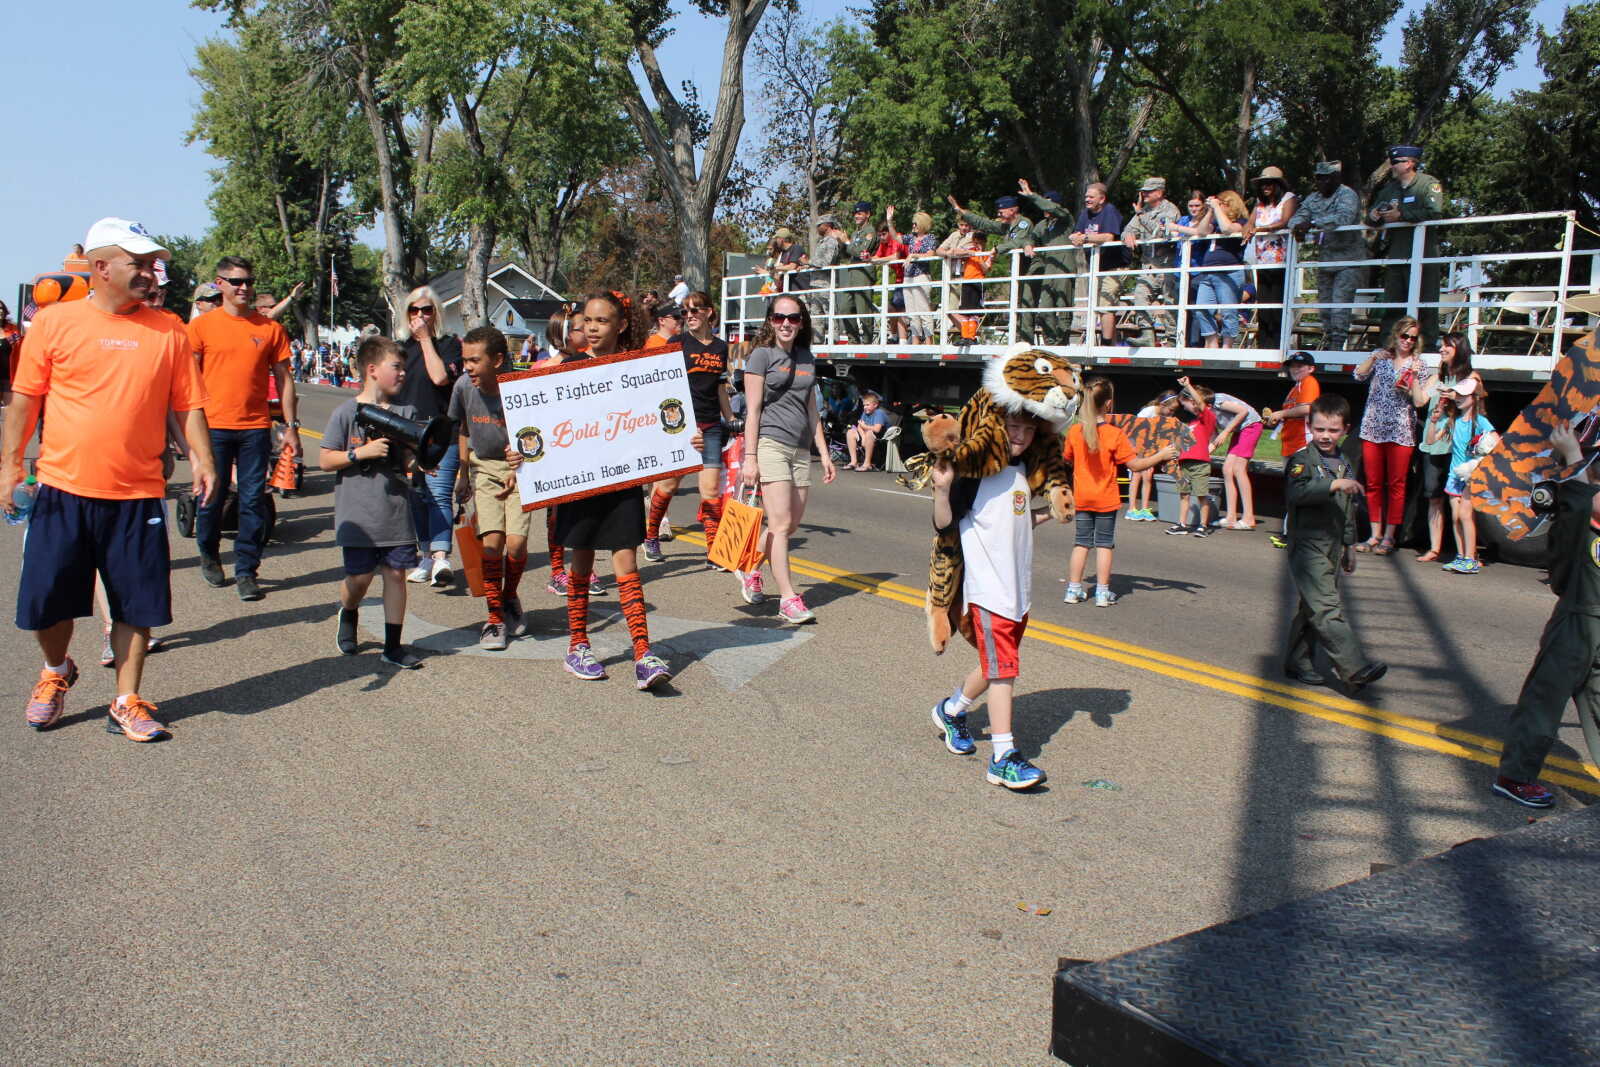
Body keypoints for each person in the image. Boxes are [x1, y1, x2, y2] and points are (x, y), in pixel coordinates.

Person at [3, 217, 217, 741]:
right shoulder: (54, 324)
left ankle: (126, 700)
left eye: (151, 264)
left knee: (136, 602)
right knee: (46, 602)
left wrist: (204, 459)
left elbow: (188, 403)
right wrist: (10, 467)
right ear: (100, 267)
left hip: (137, 493)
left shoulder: (169, 329)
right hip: (62, 488)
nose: (149, 272)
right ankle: (56, 671)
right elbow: (25, 401)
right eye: (137, 263)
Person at [926, 408, 1056, 790]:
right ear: (997, 427)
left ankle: (952, 710)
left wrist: (1052, 512)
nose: (1020, 435)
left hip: (1018, 591)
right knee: (1003, 671)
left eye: (1028, 429)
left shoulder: (1023, 470)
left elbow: (1015, 519)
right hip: (987, 590)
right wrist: (941, 490)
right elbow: (944, 523)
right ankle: (1003, 757)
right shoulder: (974, 472)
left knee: (995, 664)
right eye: (1014, 426)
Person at [556, 291, 672, 689]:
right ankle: (578, 646)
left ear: (621, 325)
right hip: (580, 482)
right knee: (582, 562)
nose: (591, 328)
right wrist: (521, 454)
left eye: (602, 321)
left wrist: (682, 441)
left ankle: (643, 653)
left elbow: (657, 420)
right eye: (587, 320)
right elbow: (545, 427)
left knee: (626, 562)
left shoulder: (637, 369)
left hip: (622, 480)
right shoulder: (566, 368)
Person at [1492, 419, 1598, 808]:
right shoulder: (1574, 526)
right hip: (1576, 623)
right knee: (1544, 701)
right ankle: (1515, 776)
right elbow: (1577, 504)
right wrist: (1573, 457)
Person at [187, 254, 300, 601]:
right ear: (220, 284)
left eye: (249, 282)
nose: (244, 288)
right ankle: (209, 553)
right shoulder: (202, 327)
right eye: (236, 282)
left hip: (254, 428)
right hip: (213, 428)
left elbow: (285, 380)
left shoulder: (269, 329)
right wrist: (189, 433)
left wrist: (291, 426)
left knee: (253, 501)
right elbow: (188, 382)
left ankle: (247, 570)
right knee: (212, 497)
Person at [319, 336, 424, 669]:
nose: (403, 373)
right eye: (396, 367)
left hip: (395, 512)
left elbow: (410, 461)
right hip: (358, 514)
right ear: (373, 369)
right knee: (360, 579)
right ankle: (349, 610)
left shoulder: (406, 413)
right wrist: (359, 453)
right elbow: (325, 459)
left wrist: (422, 461)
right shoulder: (345, 413)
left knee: (396, 575)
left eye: (404, 367)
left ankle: (393, 646)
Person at [738, 294, 837, 623]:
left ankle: (751, 567)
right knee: (779, 524)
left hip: (800, 450)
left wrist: (824, 454)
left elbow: (812, 411)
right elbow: (753, 411)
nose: (785, 324)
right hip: (771, 444)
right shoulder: (761, 356)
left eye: (793, 318)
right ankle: (787, 598)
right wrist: (750, 458)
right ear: (770, 321)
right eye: (779, 317)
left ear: (801, 322)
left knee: (790, 524)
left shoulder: (807, 358)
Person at [1281, 393, 1388, 691]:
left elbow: (1347, 509)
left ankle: (1297, 661)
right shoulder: (1302, 461)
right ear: (1309, 426)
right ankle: (1354, 668)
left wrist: (1349, 546)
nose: (1325, 436)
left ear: (1345, 430)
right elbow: (1296, 493)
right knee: (1326, 607)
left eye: (1333, 430)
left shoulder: (1344, 461)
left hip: (1332, 545)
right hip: (1308, 545)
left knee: (1312, 607)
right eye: (1319, 429)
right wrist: (1333, 484)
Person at [1062, 377, 1178, 605]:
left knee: (1081, 542)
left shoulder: (1075, 431)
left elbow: (1067, 458)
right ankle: (1102, 593)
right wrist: (1161, 455)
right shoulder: (1114, 434)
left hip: (1082, 496)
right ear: (1108, 404)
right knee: (1104, 544)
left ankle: (1073, 590)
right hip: (1106, 498)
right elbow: (1135, 465)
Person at [450, 326, 530, 650]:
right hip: (483, 467)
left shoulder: (520, 387)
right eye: (464, 360)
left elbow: (537, 433)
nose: (467, 367)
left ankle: (509, 596)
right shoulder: (463, 387)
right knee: (492, 544)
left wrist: (522, 459)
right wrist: (463, 474)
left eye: (474, 360)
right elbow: (463, 429)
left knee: (516, 545)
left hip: (520, 471)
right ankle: (495, 617)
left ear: (497, 360)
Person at [643, 293, 734, 565]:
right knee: (668, 485)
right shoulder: (677, 343)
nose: (689, 315)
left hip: (711, 424)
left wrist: (731, 419)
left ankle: (713, 551)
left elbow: (720, 388)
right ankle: (651, 536)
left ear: (709, 312)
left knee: (711, 490)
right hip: (680, 426)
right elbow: (660, 385)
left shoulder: (720, 347)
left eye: (695, 310)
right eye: (685, 312)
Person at [395, 285, 464, 588]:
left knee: (438, 494)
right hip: (407, 432)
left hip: (440, 432)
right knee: (416, 497)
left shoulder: (449, 344)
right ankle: (425, 556)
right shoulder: (399, 348)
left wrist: (425, 340)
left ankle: (441, 558)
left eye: (427, 309)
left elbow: (439, 377)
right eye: (414, 309)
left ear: (436, 313)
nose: (420, 315)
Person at [1352, 317, 1423, 554]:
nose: (1408, 341)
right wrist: (1373, 357)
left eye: (1413, 338)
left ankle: (1390, 536)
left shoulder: (1418, 364)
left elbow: (1420, 399)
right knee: (1373, 482)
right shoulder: (1381, 357)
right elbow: (1358, 375)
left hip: (1401, 429)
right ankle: (1374, 534)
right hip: (1373, 427)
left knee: (1396, 484)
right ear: (1396, 335)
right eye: (1405, 336)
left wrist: (1411, 385)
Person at [1410, 332, 1475, 562]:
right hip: (1435, 444)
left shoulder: (1470, 377)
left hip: (1458, 447)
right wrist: (1414, 378)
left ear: (1460, 349)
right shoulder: (1436, 377)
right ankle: (1435, 548)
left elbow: (1476, 402)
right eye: (1441, 345)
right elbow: (1419, 401)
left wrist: (1454, 394)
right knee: (1434, 497)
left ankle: (1467, 552)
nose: (1442, 349)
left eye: (1447, 346)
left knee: (1460, 500)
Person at [1371, 145, 1445, 348]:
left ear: (1410, 163)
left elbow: (1434, 212)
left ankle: (1427, 347)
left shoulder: (1428, 184)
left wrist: (1401, 215)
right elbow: (1372, 214)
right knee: (1393, 304)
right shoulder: (1389, 189)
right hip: (1397, 255)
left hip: (1424, 255)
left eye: (1396, 162)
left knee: (1425, 304)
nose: (1392, 166)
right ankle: (1388, 346)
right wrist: (1375, 216)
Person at [1292, 161, 1365, 351]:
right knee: (1324, 307)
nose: (1322, 182)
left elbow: (1344, 217)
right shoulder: (1313, 198)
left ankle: (1337, 345)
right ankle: (1329, 340)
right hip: (1325, 260)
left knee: (1340, 306)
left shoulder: (1347, 194)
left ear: (1336, 178)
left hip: (1348, 260)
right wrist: (1298, 226)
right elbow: (1297, 218)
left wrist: (1313, 223)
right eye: (1318, 178)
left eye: (1326, 178)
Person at [1425, 375, 1493, 574]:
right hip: (1455, 476)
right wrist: (1433, 422)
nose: (1460, 398)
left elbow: (1496, 442)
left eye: (1464, 395)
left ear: (1474, 398)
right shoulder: (1452, 420)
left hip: (1471, 475)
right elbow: (1430, 441)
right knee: (1456, 517)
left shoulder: (1480, 421)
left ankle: (1471, 559)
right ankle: (1462, 556)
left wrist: (1480, 455)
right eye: (1458, 394)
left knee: (1465, 515)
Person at [1263, 351, 1323, 548]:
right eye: (1292, 366)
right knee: (1295, 490)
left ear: (1311, 368)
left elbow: (1308, 408)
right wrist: (1278, 418)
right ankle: (1291, 533)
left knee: (1299, 490)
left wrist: (1282, 413)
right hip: (1291, 444)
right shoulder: (1296, 387)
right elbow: (1293, 413)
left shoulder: (1309, 382)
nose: (1295, 369)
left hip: (1302, 445)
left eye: (1300, 366)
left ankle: (1295, 535)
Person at [1015, 180, 1076, 345]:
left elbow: (1053, 208)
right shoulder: (1043, 225)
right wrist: (1028, 244)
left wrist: (1032, 195)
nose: (1044, 208)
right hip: (1049, 268)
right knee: (1044, 310)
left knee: (1063, 306)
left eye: (1046, 204)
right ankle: (1051, 340)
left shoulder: (1065, 218)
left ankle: (1061, 342)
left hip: (1064, 266)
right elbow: (1030, 237)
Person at [1122, 177, 1182, 344]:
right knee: (1139, 296)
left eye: (1148, 191)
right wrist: (1128, 235)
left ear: (1160, 192)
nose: (1144, 194)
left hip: (1167, 264)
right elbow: (1127, 229)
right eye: (1143, 192)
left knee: (1170, 302)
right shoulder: (1143, 211)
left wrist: (1140, 214)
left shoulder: (1170, 210)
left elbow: (1161, 233)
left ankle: (1172, 339)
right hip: (1148, 264)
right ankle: (1147, 334)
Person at [1245, 166, 1298, 351]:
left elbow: (1285, 221)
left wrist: (1260, 229)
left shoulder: (1288, 198)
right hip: (1262, 260)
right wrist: (1247, 230)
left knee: (1277, 303)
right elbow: (1249, 223)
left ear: (1278, 185)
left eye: (1269, 183)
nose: (1265, 187)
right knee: (1264, 303)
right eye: (1263, 184)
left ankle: (1277, 345)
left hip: (1281, 259)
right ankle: (1264, 345)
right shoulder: (1259, 204)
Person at [1069, 183, 1127, 346]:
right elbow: (1077, 233)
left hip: (1114, 265)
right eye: (1086, 196)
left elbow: (1109, 237)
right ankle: (1112, 345)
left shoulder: (1110, 211)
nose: (1087, 199)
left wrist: (1085, 238)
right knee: (1099, 305)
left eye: (1091, 197)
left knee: (1105, 304)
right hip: (1096, 266)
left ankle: (1106, 344)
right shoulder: (1085, 214)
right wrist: (1074, 237)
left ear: (1102, 199)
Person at [1191, 191, 1249, 348]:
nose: (1218, 206)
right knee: (1201, 309)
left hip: (1229, 272)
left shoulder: (1242, 222)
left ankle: (1227, 346)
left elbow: (1228, 229)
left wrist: (1216, 207)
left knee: (1228, 312)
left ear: (1230, 205)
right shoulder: (1214, 224)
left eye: (1221, 203)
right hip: (1208, 272)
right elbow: (1201, 232)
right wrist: (1210, 211)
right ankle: (1212, 343)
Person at [1166, 376, 1219, 537]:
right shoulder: (1192, 423)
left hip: (1199, 464)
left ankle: (1203, 525)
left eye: (1191, 402)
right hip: (1184, 463)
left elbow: (1200, 403)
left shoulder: (1208, 418)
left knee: (1201, 495)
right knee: (1184, 494)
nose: (1189, 406)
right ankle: (1182, 524)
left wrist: (1188, 386)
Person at [1208, 388, 1263, 529]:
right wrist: (1204, 454)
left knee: (1239, 469)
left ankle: (1248, 518)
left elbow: (1243, 411)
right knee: (1227, 469)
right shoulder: (1205, 413)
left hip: (1251, 426)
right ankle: (1230, 517)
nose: (1185, 409)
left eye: (1186, 405)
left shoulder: (1218, 401)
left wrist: (1226, 432)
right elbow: (1215, 438)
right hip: (1239, 431)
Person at [936, 215, 989, 340]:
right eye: (961, 225)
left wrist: (956, 252)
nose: (964, 228)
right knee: (950, 310)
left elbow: (966, 250)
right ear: (958, 225)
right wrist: (948, 253)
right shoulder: (954, 235)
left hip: (966, 276)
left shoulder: (973, 237)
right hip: (952, 276)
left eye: (966, 225)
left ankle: (970, 335)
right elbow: (939, 250)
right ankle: (968, 335)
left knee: (968, 310)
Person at [838, 201, 880, 343]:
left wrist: (848, 243)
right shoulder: (856, 233)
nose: (856, 216)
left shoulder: (870, 232)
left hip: (863, 273)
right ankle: (853, 341)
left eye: (860, 213)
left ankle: (867, 343)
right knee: (844, 308)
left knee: (864, 311)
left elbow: (862, 252)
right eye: (855, 213)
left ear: (867, 215)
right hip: (852, 273)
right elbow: (848, 253)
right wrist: (842, 243)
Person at [897, 210, 939, 342]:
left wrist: (914, 255)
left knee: (923, 310)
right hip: (908, 276)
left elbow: (930, 254)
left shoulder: (930, 238)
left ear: (922, 224)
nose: (913, 226)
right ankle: (915, 341)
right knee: (911, 312)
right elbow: (897, 238)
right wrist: (889, 221)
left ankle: (929, 342)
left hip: (921, 276)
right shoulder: (911, 238)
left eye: (915, 223)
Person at [871, 214, 910, 343]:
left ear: (889, 232)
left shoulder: (897, 239)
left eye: (884, 234)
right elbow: (877, 257)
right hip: (899, 279)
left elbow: (895, 257)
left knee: (899, 308)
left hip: (909, 278)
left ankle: (902, 339)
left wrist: (877, 260)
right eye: (879, 235)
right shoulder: (883, 244)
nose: (881, 237)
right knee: (891, 308)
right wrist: (868, 258)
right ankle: (895, 336)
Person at [845, 390, 891, 471]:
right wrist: (863, 437)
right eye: (864, 405)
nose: (865, 407)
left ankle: (867, 464)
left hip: (881, 438)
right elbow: (859, 426)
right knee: (850, 432)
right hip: (867, 436)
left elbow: (877, 429)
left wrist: (865, 427)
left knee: (869, 433)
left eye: (867, 405)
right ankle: (853, 462)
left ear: (875, 405)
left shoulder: (879, 413)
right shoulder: (865, 412)